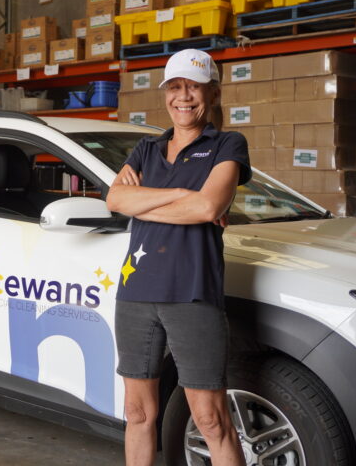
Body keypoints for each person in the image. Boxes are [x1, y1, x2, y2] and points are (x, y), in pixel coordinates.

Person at [106, 49, 251, 466]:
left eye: (194, 86)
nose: (183, 97)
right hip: (135, 293)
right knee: (137, 413)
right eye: (175, 87)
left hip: (192, 293)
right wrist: (181, 195)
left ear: (213, 92)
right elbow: (116, 199)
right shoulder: (146, 150)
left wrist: (146, 202)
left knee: (210, 419)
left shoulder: (227, 144)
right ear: (165, 94)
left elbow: (208, 209)